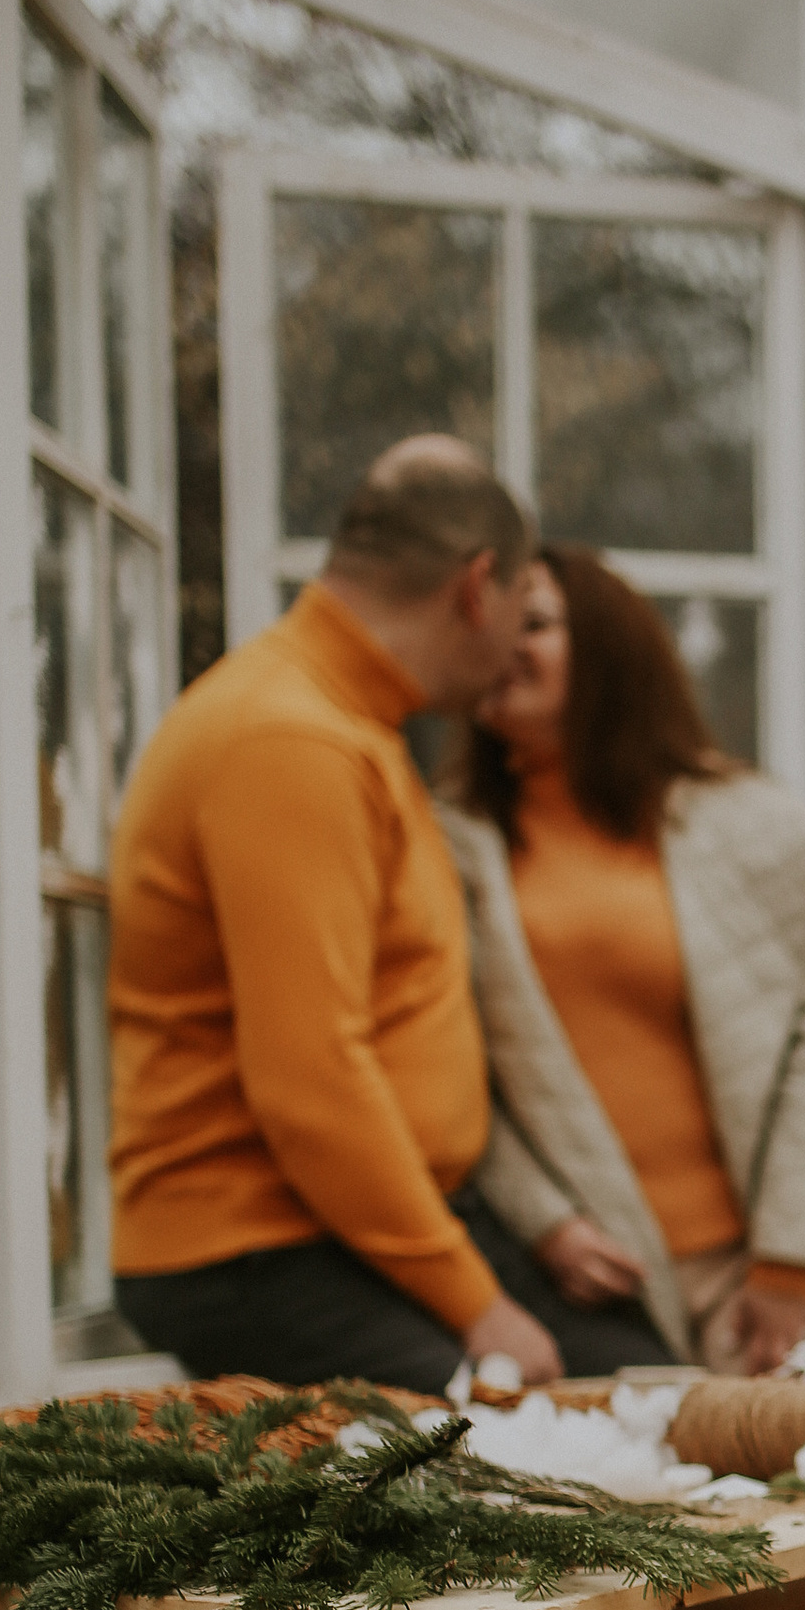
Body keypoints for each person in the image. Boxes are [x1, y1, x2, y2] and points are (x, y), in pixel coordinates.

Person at [109, 436, 596, 1390]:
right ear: (477, 586)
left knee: (634, 1380)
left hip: (356, 1229)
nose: (511, 652)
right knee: (532, 1456)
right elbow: (311, 1081)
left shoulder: (349, 724)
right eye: (519, 612)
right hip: (261, 1247)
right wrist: (480, 1309)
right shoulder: (293, 741)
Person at [440, 547, 805, 1375]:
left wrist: (791, 1262)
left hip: (770, 1280)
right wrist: (545, 1222)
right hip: (594, 1293)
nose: (508, 642)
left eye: (536, 623)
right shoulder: (446, 844)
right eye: (493, 621)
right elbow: (449, 1074)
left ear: (611, 645)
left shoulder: (750, 822)